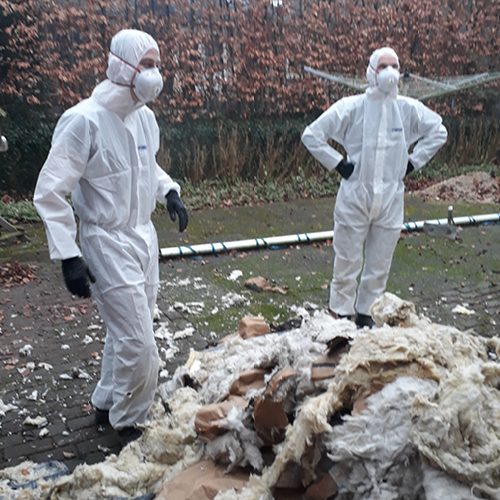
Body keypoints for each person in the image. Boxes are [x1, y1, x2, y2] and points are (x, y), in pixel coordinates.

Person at [34, 29, 188, 445]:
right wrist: (68, 254)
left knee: (129, 329)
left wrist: (169, 191)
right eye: (147, 65)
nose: (155, 74)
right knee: (139, 343)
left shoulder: (144, 117)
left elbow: (148, 167)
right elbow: (50, 191)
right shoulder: (83, 121)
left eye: (157, 64)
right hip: (106, 240)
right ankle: (128, 422)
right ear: (122, 66)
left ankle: (106, 399)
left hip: (143, 237)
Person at [302, 47, 447, 329]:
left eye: (394, 65)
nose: (390, 71)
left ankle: (368, 312)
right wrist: (338, 163)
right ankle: (340, 314)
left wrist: (412, 163)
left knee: (380, 262)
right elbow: (312, 135)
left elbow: (438, 131)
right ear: (371, 72)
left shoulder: (407, 109)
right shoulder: (351, 107)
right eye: (383, 66)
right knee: (347, 260)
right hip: (355, 197)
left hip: (391, 199)